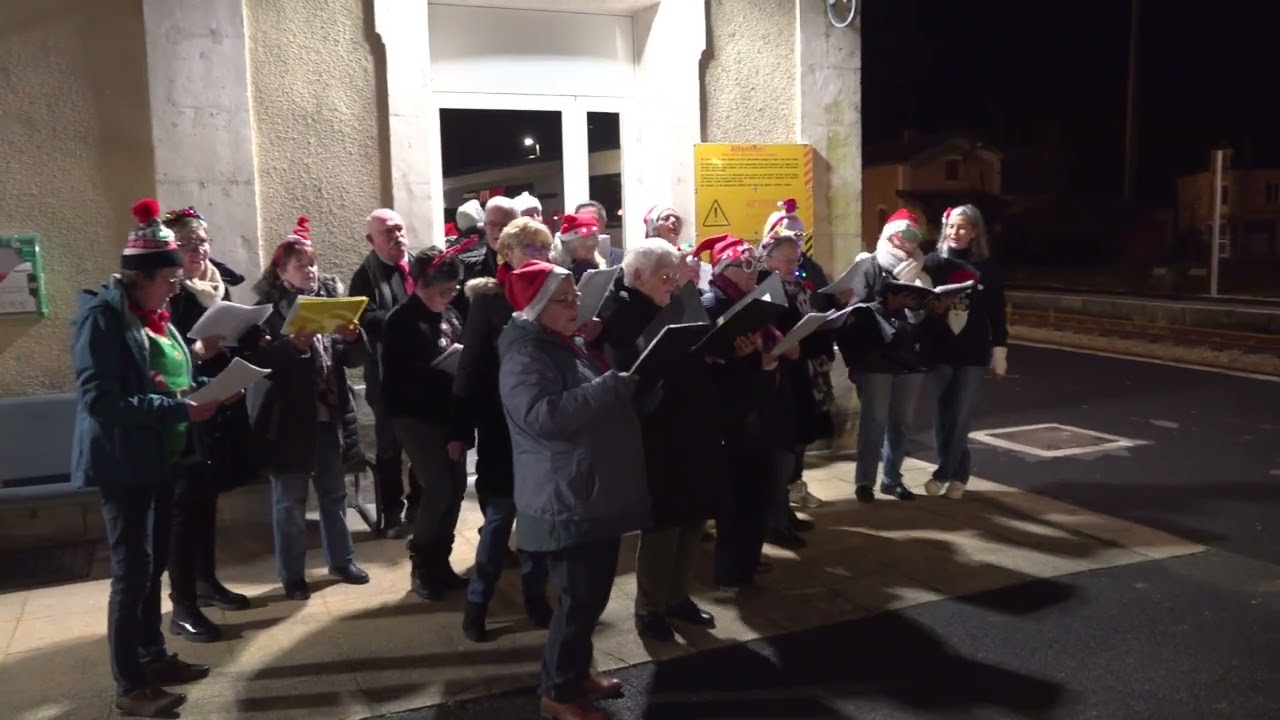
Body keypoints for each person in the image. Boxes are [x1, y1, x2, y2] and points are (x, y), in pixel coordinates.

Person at [71, 198, 222, 717]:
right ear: (143, 278)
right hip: (123, 462)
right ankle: (130, 687)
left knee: (152, 567)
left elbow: (174, 377)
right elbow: (101, 401)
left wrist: (214, 388)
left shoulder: (157, 317)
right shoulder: (102, 318)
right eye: (170, 280)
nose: (176, 288)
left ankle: (154, 657)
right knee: (131, 574)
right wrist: (176, 407)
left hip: (161, 456)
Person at [499, 261, 651, 720]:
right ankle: (558, 694)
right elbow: (543, 417)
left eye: (575, 296)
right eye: (564, 299)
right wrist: (609, 388)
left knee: (590, 596)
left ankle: (575, 674)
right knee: (578, 599)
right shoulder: (526, 355)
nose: (576, 305)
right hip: (563, 495)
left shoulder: (566, 343)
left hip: (586, 489)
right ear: (538, 307)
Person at [594, 238, 727, 642]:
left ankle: (677, 596)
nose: (672, 283)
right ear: (637, 277)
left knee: (694, 514)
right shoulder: (620, 313)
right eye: (664, 277)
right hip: (655, 431)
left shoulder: (675, 302)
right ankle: (649, 607)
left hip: (694, 422)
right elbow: (624, 373)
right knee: (665, 522)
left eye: (675, 275)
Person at [244, 217, 371, 600]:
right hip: (286, 422)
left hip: (327, 415)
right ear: (282, 272)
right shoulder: (265, 311)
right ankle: (293, 575)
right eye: (301, 265)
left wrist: (353, 336)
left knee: (334, 494)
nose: (310, 270)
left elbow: (351, 359)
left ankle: (342, 560)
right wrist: (292, 347)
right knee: (289, 502)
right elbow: (257, 363)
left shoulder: (330, 301)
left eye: (313, 263)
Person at [159, 206, 254, 643]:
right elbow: (170, 356)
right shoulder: (170, 293)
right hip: (185, 409)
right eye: (189, 244)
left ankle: (206, 580)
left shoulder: (221, 284)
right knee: (185, 507)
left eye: (203, 242)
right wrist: (201, 349)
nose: (199, 250)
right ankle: (183, 603)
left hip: (219, 401)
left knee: (206, 501)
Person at [458, 218, 554, 642]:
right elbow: (471, 367)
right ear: (506, 253)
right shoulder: (490, 301)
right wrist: (458, 429)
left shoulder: (553, 292)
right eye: (527, 246)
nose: (537, 254)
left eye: (543, 247)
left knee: (537, 523)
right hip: (500, 427)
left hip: (542, 427)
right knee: (499, 522)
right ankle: (477, 605)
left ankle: (536, 599)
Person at [695, 233, 796, 591]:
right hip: (733, 415)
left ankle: (748, 561)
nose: (754, 271)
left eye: (756, 263)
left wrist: (767, 357)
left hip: (759, 406)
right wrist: (743, 358)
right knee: (737, 499)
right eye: (747, 264)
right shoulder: (711, 303)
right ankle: (730, 571)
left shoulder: (752, 302)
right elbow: (706, 364)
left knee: (760, 489)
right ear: (725, 267)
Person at [380, 243, 474, 600]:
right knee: (437, 488)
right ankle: (421, 565)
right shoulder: (401, 321)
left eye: (453, 290)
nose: (449, 298)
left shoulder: (449, 315)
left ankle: (441, 563)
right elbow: (395, 381)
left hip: (450, 414)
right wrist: (439, 373)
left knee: (456, 489)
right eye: (442, 291)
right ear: (420, 284)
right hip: (415, 416)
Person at [826, 209, 935, 503]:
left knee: (902, 423)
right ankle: (864, 482)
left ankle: (892, 479)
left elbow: (920, 318)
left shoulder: (920, 270)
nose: (913, 240)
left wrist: (926, 307)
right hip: (874, 358)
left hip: (910, 359)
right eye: (907, 233)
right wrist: (889, 304)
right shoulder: (869, 266)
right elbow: (854, 313)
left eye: (918, 235)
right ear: (891, 234)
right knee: (874, 421)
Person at [922, 204, 1007, 500]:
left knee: (961, 417)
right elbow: (919, 307)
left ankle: (944, 473)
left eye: (962, 227)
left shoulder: (986, 268)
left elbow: (997, 314)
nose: (955, 232)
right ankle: (959, 476)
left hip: (972, 353)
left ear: (974, 232)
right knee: (943, 418)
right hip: (940, 351)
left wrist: (1000, 350)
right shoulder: (932, 263)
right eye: (951, 226)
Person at [349, 208, 418, 538]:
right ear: (371, 240)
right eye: (388, 232)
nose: (397, 236)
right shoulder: (365, 276)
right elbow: (365, 320)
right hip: (387, 376)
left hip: (423, 374)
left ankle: (419, 506)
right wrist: (405, 320)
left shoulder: (417, 266)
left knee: (422, 444)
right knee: (390, 447)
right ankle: (392, 512)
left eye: (400, 229)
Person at [454, 195, 518, 319]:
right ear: (484, 226)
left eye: (506, 225)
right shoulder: (467, 267)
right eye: (493, 224)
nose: (499, 230)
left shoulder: (534, 263)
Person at [551, 212, 606, 280]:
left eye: (594, 237)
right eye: (584, 238)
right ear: (568, 242)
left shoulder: (596, 267)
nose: (591, 243)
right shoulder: (554, 271)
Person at [574, 200, 623, 267]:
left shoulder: (621, 258)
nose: (587, 225)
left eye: (593, 220)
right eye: (581, 221)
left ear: (604, 222)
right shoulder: (568, 260)